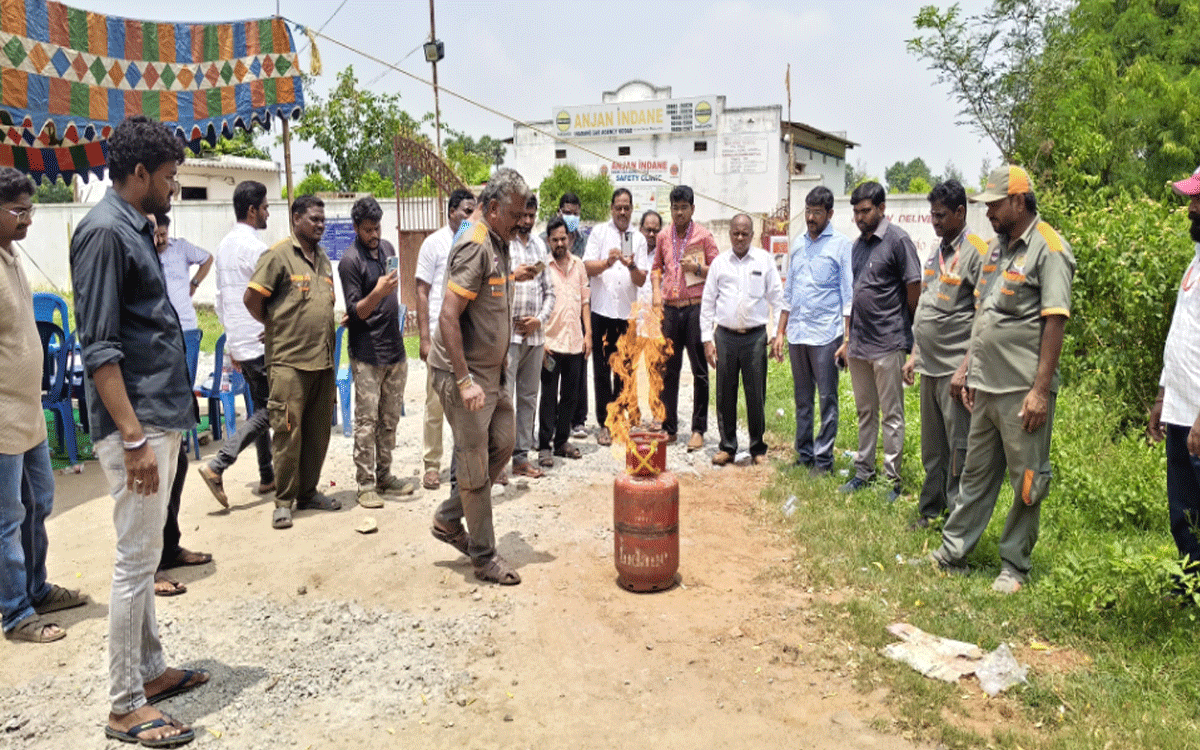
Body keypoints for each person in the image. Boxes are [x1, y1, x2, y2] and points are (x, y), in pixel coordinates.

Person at [71, 115, 206, 747]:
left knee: (146, 554)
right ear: (141, 172)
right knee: (134, 563)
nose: (174, 188)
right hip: (137, 422)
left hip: (155, 414)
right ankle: (125, 703)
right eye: (171, 177)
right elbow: (98, 346)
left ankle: (150, 673)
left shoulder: (131, 227)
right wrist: (130, 436)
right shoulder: (102, 232)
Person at [931, 165, 1074, 595]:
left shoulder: (1048, 248)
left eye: (994, 205)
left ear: (1018, 200)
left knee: (1027, 480)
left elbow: (1055, 320)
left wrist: (1038, 391)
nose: (988, 213)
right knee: (974, 474)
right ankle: (952, 551)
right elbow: (986, 313)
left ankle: (1015, 565)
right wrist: (966, 367)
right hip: (985, 387)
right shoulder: (997, 249)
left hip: (1020, 391)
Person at [428, 168, 529, 585]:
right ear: (492, 208)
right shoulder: (475, 245)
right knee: (472, 463)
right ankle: (484, 556)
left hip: (493, 374)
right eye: (515, 214)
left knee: (502, 443)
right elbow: (449, 315)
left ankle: (448, 519)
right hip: (464, 375)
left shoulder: (496, 239)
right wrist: (465, 380)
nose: (522, 221)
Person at [0, 166, 87, 644]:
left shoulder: (11, 256)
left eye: (29, 210)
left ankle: (35, 587)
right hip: (1, 419)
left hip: (28, 411)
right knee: (8, 517)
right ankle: (15, 614)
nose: (27, 220)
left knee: (40, 501)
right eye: (18, 211)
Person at [245, 195, 340, 531]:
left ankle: (309, 492)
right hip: (288, 362)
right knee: (287, 432)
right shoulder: (278, 255)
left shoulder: (324, 259)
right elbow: (252, 299)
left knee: (318, 433)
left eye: (322, 219)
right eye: (314, 218)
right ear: (296, 218)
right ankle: (283, 502)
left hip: (322, 360)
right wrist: (274, 325)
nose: (320, 224)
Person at [902, 180, 992, 528]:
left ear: (960, 212)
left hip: (956, 370)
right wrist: (914, 354)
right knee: (933, 448)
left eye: (941, 215)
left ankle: (956, 518)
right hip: (929, 366)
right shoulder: (936, 253)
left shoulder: (977, 251)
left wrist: (965, 369)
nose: (935, 221)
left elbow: (983, 314)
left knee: (959, 449)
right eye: (932, 215)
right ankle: (930, 510)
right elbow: (925, 307)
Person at [836, 181, 921, 502]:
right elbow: (858, 295)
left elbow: (914, 290)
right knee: (866, 411)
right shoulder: (858, 247)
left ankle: (891, 480)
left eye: (866, 210)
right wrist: (848, 340)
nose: (860, 217)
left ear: (882, 209)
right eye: (856, 211)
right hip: (860, 344)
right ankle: (863, 472)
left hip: (889, 342)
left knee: (892, 414)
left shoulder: (898, 241)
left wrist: (911, 340)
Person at [197, 181, 275, 506]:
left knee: (259, 408)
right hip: (261, 341)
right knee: (276, 408)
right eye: (266, 207)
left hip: (241, 343)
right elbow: (275, 296)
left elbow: (219, 301)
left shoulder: (226, 246)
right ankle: (218, 464)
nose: (268, 212)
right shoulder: (257, 250)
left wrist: (232, 342)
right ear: (252, 210)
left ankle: (268, 476)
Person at [149, 214, 213, 598]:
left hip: (176, 337)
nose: (159, 237)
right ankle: (152, 566)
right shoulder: (128, 252)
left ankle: (169, 548)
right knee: (155, 470)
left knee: (179, 460)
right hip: (147, 382)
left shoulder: (178, 249)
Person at [338, 196, 412, 508]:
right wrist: (378, 292)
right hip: (367, 352)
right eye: (369, 229)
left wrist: (388, 291)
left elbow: (393, 287)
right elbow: (356, 311)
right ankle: (365, 483)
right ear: (356, 228)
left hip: (394, 347)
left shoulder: (388, 250)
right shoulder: (349, 261)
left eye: (378, 227)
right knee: (366, 421)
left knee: (389, 418)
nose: (375, 234)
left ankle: (385, 475)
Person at [775, 186, 853, 475]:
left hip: (825, 335)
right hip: (797, 333)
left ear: (829, 214)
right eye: (808, 211)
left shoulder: (841, 245)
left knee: (827, 399)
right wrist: (780, 331)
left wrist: (847, 339)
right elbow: (789, 291)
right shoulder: (797, 244)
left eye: (816, 213)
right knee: (802, 399)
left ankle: (823, 461)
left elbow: (848, 296)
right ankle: (804, 453)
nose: (810, 217)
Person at [1148, 165, 1200, 593]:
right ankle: (1193, 583)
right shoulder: (1196, 259)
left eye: (1198, 200)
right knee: (1183, 511)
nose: (1191, 208)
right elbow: (1181, 333)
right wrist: (1164, 396)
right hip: (1182, 409)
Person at [701, 214, 786, 466]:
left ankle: (757, 448)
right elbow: (707, 303)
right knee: (725, 392)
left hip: (756, 337)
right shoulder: (718, 263)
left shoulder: (764, 260)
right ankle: (727, 446)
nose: (740, 238)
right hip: (725, 336)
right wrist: (707, 339)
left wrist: (776, 333)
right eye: (735, 233)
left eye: (745, 233)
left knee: (755, 394)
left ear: (752, 234)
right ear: (729, 234)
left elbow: (778, 300)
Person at [416, 188, 475, 490]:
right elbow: (422, 291)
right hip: (440, 334)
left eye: (472, 211)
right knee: (435, 402)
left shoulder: (474, 242)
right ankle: (431, 465)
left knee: (467, 401)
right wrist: (425, 338)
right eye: (466, 211)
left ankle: (464, 463)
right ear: (451, 211)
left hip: (466, 333)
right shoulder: (433, 244)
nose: (470, 217)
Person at [653, 185, 718, 450]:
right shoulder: (663, 237)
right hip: (669, 308)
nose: (679, 213)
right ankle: (669, 427)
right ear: (670, 209)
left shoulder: (703, 236)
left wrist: (698, 268)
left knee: (699, 370)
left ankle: (698, 429)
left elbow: (718, 269)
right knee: (669, 369)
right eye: (675, 208)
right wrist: (656, 293)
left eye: (683, 208)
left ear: (692, 208)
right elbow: (656, 267)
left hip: (695, 307)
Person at [583, 188, 649, 445]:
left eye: (627, 207)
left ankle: (619, 419)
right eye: (618, 207)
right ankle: (604, 423)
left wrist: (630, 264)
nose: (622, 212)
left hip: (626, 316)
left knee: (625, 372)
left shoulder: (638, 239)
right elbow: (587, 266)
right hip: (601, 313)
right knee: (601, 370)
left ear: (632, 209)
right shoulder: (599, 233)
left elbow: (641, 279)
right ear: (611, 208)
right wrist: (608, 263)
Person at [508, 194, 555, 478]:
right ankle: (499, 461)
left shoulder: (540, 245)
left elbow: (550, 291)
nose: (527, 221)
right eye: (523, 215)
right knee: (503, 398)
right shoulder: (504, 243)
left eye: (531, 216)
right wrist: (513, 276)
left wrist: (539, 320)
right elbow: (493, 285)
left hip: (535, 338)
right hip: (509, 336)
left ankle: (521, 457)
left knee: (528, 397)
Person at [538, 216, 591, 467]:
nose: (560, 243)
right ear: (548, 241)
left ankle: (562, 442)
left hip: (575, 343)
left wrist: (588, 334)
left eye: (563, 238)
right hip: (550, 342)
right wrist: (540, 340)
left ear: (569, 239)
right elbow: (538, 305)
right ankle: (544, 445)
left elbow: (585, 301)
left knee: (570, 395)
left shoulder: (578, 265)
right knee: (548, 396)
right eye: (555, 239)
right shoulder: (543, 267)